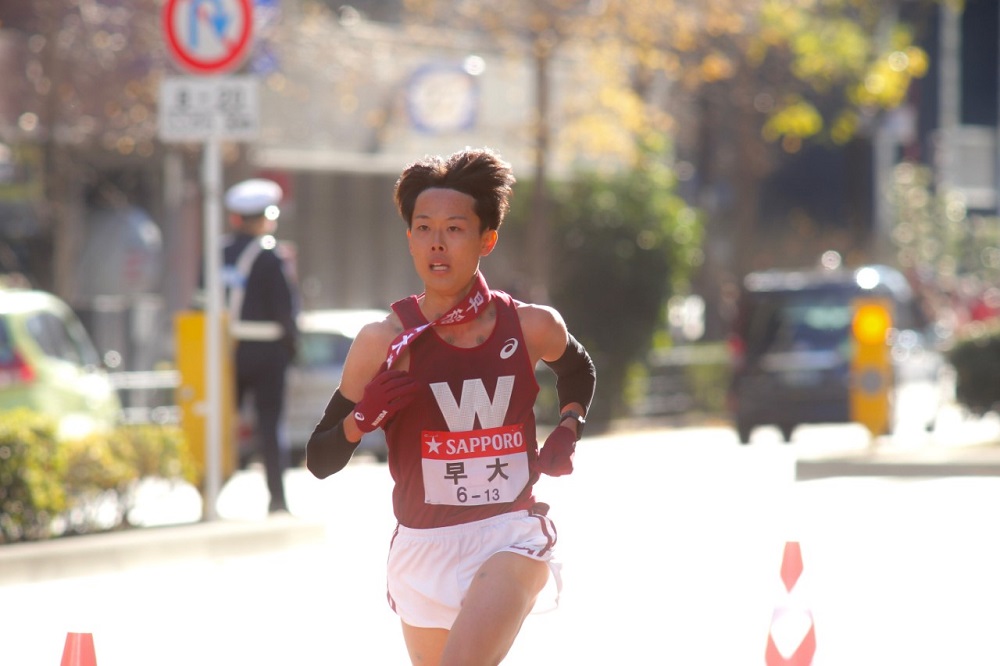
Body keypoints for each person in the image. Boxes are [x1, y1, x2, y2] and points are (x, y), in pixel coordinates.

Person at [306, 148, 596, 665]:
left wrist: (569, 425)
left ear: (487, 238)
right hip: (422, 547)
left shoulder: (530, 325)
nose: (437, 242)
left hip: (509, 535)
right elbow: (319, 459)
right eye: (423, 227)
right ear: (410, 237)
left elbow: (578, 369)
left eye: (455, 228)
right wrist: (360, 420)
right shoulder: (383, 342)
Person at [223, 178, 299, 514]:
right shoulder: (270, 255)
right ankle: (277, 499)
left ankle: (207, 491)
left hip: (225, 350)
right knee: (270, 426)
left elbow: (199, 303)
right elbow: (285, 308)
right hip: (267, 352)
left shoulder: (218, 252)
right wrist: (293, 346)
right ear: (266, 217)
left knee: (220, 423)